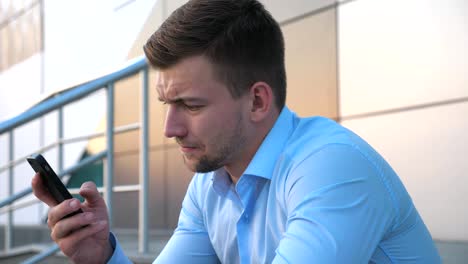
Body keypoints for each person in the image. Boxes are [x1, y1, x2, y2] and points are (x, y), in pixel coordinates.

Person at [31, 0, 441, 263]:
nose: (170, 129)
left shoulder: (332, 166)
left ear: (258, 101)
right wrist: (102, 255)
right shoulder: (213, 182)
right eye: (165, 104)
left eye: (190, 105)